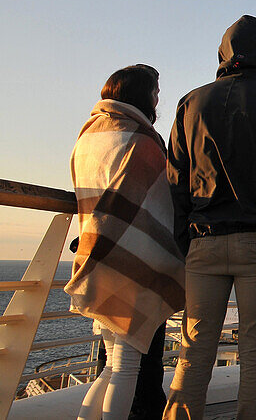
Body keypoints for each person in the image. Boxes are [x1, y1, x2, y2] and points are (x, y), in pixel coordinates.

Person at [164, 16, 256, 419]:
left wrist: (186, 240)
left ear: (224, 55)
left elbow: (175, 179)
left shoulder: (190, 102)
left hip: (203, 242)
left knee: (193, 354)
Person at [65, 65, 185, 420]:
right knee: (127, 367)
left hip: (94, 257)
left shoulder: (87, 136)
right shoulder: (141, 140)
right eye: (155, 93)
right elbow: (162, 205)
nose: (157, 100)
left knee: (109, 367)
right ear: (141, 96)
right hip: (132, 264)